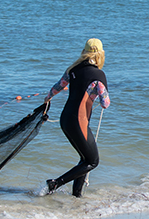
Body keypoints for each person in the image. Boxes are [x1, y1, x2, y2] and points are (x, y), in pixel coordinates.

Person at [43, 38, 110, 197]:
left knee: (84, 159)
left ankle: (76, 197)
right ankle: (55, 183)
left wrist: (47, 98)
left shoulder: (72, 69)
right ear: (100, 54)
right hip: (78, 123)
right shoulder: (98, 75)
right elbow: (105, 103)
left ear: (84, 52)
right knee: (93, 161)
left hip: (65, 120)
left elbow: (58, 86)